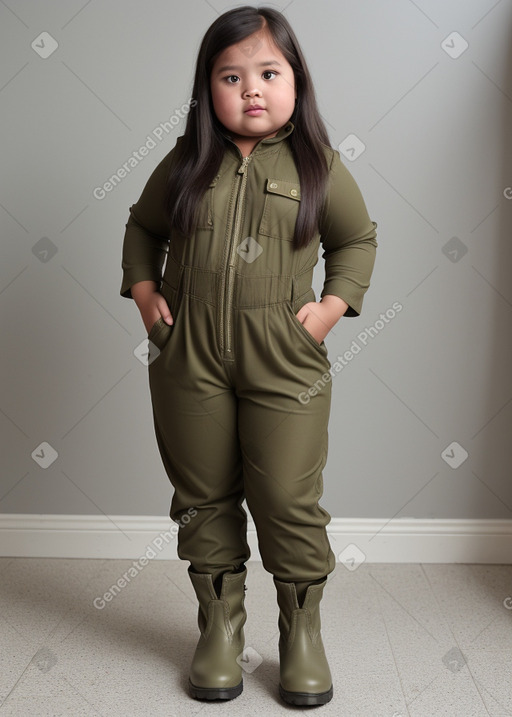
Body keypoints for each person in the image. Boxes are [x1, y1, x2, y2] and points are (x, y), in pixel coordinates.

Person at [120, 5, 377, 707]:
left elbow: (357, 241)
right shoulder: (184, 163)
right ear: (208, 92)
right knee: (202, 498)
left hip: (284, 361)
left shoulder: (317, 165)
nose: (252, 89)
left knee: (289, 499)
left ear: (297, 82)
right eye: (231, 76)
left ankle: (301, 634)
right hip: (189, 357)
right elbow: (142, 228)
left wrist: (327, 311)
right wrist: (146, 297)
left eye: (269, 72)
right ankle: (220, 629)